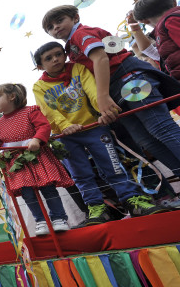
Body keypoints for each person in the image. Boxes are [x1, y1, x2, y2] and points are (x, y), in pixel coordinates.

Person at [33, 42, 168, 224]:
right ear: (40, 66)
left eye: (58, 54)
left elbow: (93, 90)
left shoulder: (78, 69)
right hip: (65, 135)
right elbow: (48, 110)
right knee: (80, 174)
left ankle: (132, 200)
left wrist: (103, 111)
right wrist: (65, 126)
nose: (55, 59)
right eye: (48, 58)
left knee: (112, 165)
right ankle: (96, 208)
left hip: (94, 127)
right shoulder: (39, 86)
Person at [42, 4, 180, 180]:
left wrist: (102, 97)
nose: (56, 27)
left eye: (60, 21)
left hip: (129, 79)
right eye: (50, 27)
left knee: (161, 128)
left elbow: (100, 58)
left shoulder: (81, 33)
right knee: (146, 140)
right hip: (115, 91)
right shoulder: (71, 48)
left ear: (75, 18)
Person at [0, 83, 73, 235]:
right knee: (27, 193)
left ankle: (59, 218)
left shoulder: (31, 111)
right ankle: (40, 221)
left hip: (37, 157)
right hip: (16, 164)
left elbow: (44, 127)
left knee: (48, 188)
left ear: (12, 96)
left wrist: (37, 139)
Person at [132, 0, 180, 80]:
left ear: (144, 21)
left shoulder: (170, 21)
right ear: (174, 2)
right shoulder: (167, 25)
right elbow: (152, 52)